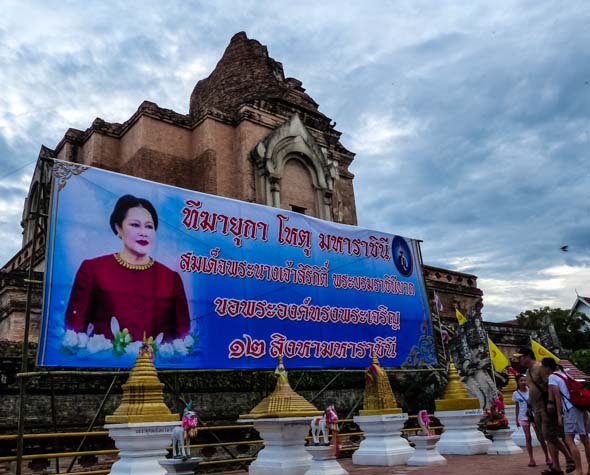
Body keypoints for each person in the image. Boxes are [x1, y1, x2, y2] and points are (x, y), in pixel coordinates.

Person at [65, 194, 190, 342]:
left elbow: (183, 335)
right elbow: (73, 330)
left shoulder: (171, 278)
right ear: (118, 228)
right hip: (101, 363)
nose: (143, 232)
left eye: (149, 226)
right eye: (135, 225)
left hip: (156, 364)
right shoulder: (92, 270)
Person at [515, 347, 574, 475]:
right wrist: (529, 406)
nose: (519, 360)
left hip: (546, 407)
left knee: (550, 435)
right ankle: (556, 466)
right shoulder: (528, 372)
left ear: (528, 356)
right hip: (536, 409)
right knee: (547, 437)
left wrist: (551, 402)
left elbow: (551, 386)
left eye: (521, 357)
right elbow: (531, 390)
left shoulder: (540, 367)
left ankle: (570, 458)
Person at [543, 357, 590, 475]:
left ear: (547, 367)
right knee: (585, 439)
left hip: (571, 408)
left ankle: (579, 469)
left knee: (569, 439)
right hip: (581, 406)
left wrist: (559, 414)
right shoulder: (565, 373)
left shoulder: (552, 377)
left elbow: (557, 396)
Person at [512, 373, 551, 467]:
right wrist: (517, 419)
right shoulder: (516, 394)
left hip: (534, 416)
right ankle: (531, 459)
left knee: (540, 437)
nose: (523, 382)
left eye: (524, 380)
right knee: (528, 438)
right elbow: (517, 407)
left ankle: (547, 457)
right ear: (517, 382)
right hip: (523, 417)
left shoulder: (531, 391)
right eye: (521, 381)